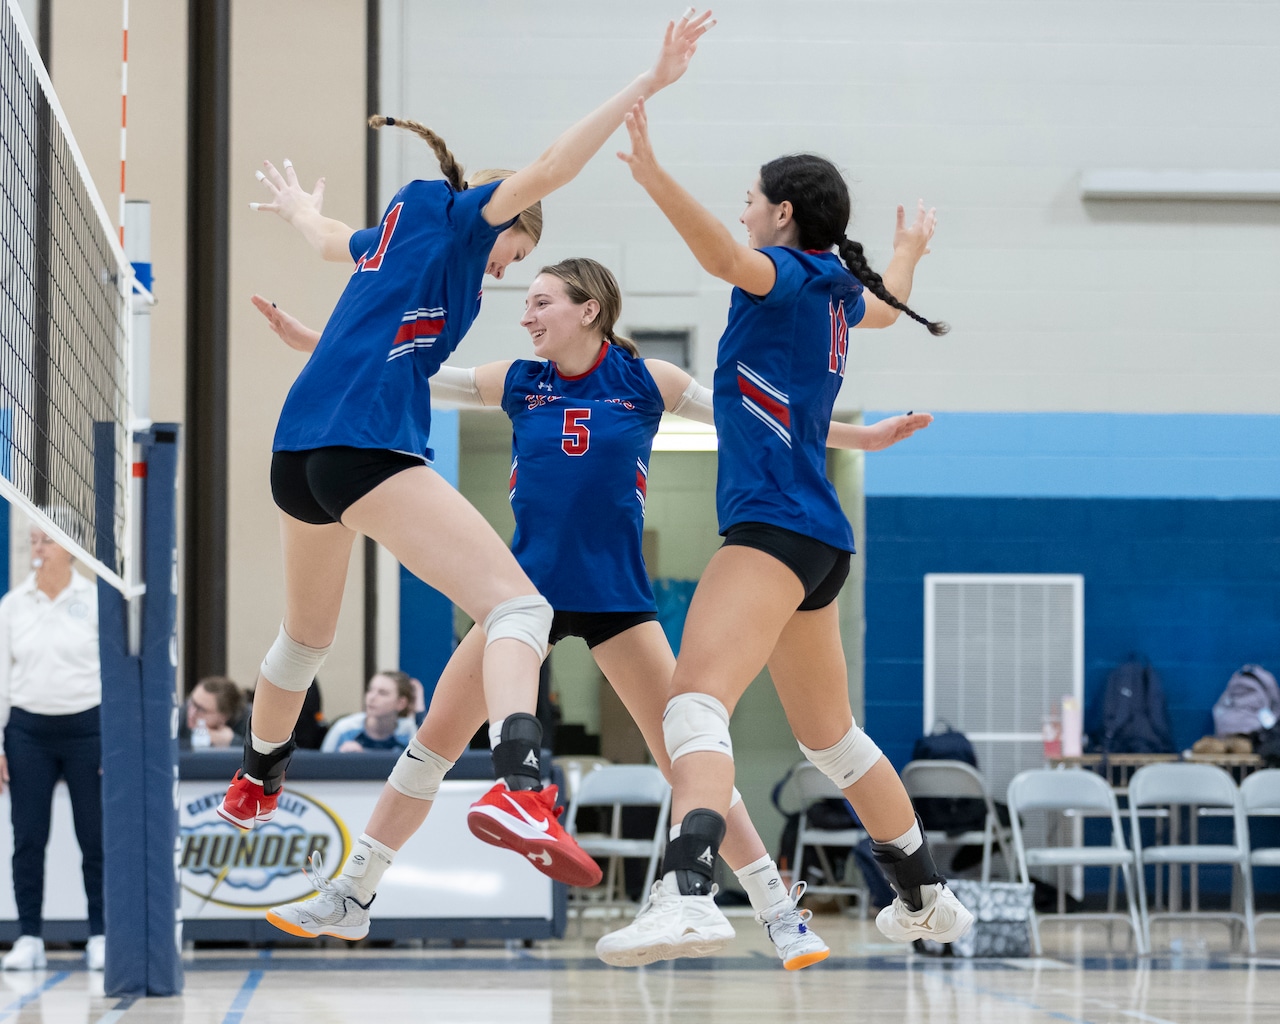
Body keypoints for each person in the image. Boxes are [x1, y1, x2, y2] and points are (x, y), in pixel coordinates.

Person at [253, 257, 930, 969]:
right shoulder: (519, 379)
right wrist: (319, 342)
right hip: (522, 602)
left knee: (690, 762)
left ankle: (779, 915)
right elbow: (415, 373)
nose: (527, 315)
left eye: (541, 301)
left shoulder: (648, 382)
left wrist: (862, 438)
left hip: (618, 601)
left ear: (589, 309)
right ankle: (354, 894)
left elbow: (757, 419)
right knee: (432, 749)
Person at [219, 7, 715, 898]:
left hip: (296, 448)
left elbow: (338, 245)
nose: (505, 273)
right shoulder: (459, 220)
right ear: (505, 218)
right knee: (521, 611)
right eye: (515, 253)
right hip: (365, 442)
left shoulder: (402, 220)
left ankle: (257, 775)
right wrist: (649, 83)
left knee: (306, 637)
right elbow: (556, 163)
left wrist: (301, 214)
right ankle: (525, 787)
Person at [593, 99, 973, 966]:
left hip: (771, 528)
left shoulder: (787, 277)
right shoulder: (839, 294)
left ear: (784, 215)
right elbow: (891, 304)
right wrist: (909, 251)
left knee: (693, 705)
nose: (744, 209)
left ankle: (686, 894)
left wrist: (652, 176)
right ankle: (926, 897)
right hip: (820, 541)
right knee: (833, 740)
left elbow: (721, 254)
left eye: (752, 197)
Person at [0, 521, 104, 971]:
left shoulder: (99, 601)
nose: (38, 548)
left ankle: (100, 933)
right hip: (26, 731)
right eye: (33, 541)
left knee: (94, 836)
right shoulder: (12, 605)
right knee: (28, 837)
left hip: (87, 728)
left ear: (72, 548)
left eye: (48, 539)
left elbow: (113, 679)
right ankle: (29, 937)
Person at [321, 671, 417, 753]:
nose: (372, 697)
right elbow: (321, 767)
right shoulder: (343, 729)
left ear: (401, 703)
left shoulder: (409, 733)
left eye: (382, 693)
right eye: (370, 690)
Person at [180, 676, 248, 749]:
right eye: (192, 702)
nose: (191, 712)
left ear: (223, 717)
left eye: (200, 709)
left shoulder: (246, 723)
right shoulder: (180, 716)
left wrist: (232, 741)